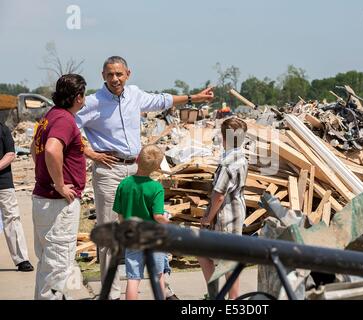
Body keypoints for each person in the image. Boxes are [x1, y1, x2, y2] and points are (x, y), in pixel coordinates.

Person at [76, 56, 213, 300]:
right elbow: (71, 126)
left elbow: (163, 100)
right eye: (110, 74)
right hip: (109, 170)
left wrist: (194, 98)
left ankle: (162, 287)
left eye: (119, 74)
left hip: (137, 169)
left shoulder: (135, 95)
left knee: (151, 225)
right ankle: (112, 292)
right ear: (102, 75)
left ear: (128, 73)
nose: (115, 79)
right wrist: (90, 153)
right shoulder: (92, 102)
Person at [31, 74, 87, 300]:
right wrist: (60, 184)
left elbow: (35, 148)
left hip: (44, 199)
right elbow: (52, 150)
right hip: (57, 204)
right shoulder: (64, 119)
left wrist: (45, 176)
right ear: (78, 97)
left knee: (48, 264)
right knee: (59, 267)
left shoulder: (50, 115)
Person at [198, 117, 248, 300]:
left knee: (208, 256)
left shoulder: (228, 163)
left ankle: (221, 297)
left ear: (224, 136)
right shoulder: (240, 156)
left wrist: (207, 218)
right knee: (228, 258)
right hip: (236, 212)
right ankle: (228, 297)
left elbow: (219, 195)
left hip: (225, 216)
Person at [112, 144, 171, 300]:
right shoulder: (156, 187)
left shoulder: (124, 184)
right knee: (158, 276)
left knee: (133, 277)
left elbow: (120, 214)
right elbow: (158, 216)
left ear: (137, 159)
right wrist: (170, 225)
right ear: (157, 167)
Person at [0, 121, 34, 272]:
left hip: (3, 183)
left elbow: (10, 154)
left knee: (12, 218)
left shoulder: (3, 129)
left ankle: (22, 260)